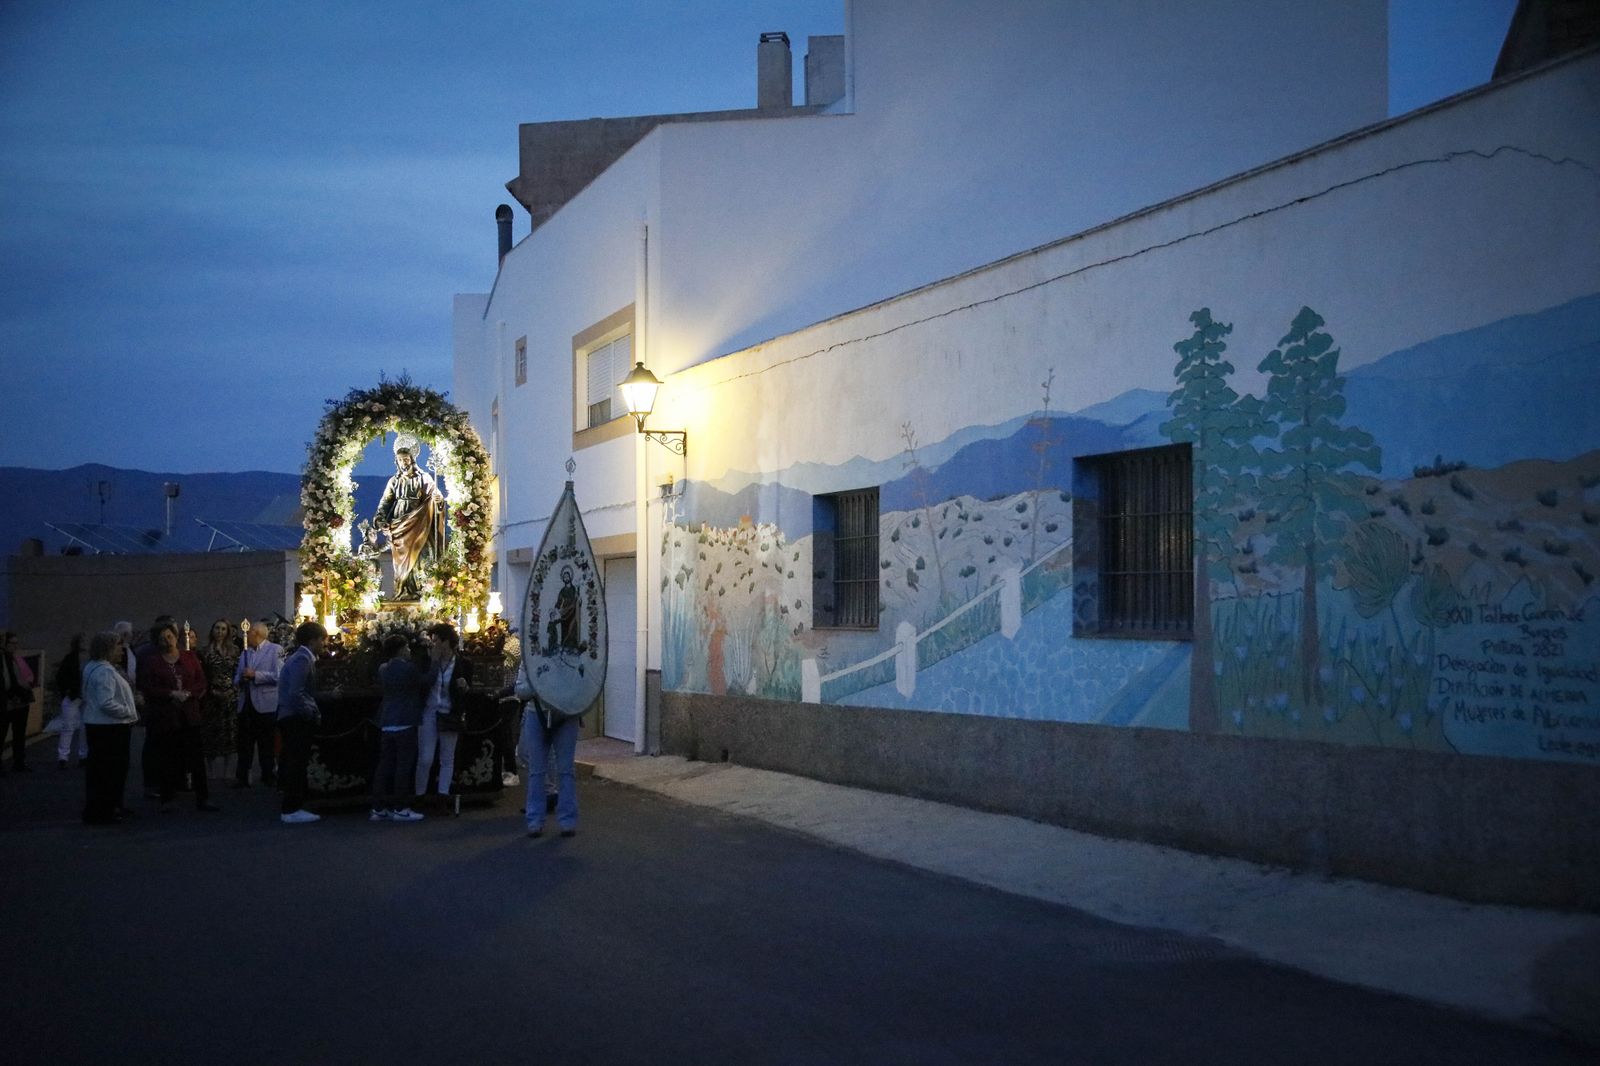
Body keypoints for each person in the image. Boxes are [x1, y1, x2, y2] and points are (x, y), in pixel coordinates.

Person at [137, 620, 217, 813]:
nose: (167, 641)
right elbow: (148, 686)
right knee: (168, 757)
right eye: (163, 638)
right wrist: (170, 694)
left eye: (170, 636)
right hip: (166, 715)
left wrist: (189, 694)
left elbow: (200, 681)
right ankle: (167, 797)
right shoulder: (154, 662)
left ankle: (202, 797)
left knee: (196, 758)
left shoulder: (189, 657)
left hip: (189, 713)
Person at [374, 436, 446, 600]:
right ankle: (401, 591)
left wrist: (438, 501)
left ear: (412, 460)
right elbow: (385, 502)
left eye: (406, 459)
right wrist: (380, 519)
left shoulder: (424, 478)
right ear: (396, 462)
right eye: (400, 460)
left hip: (418, 522)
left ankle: (415, 592)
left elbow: (436, 496)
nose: (403, 463)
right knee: (399, 563)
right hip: (399, 525)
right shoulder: (394, 481)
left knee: (416, 558)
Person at [80, 630, 139, 824]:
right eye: (118, 647)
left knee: (101, 771)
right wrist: (127, 711)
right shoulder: (105, 671)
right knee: (110, 771)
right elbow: (106, 702)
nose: (121, 651)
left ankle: (107, 807)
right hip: (109, 727)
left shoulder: (93, 667)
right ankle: (106, 810)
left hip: (99, 725)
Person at [371, 634, 427, 823]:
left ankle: (378, 807)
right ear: (401, 649)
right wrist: (435, 663)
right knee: (403, 766)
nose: (410, 651)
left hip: (387, 720)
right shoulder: (409, 668)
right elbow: (426, 681)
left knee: (385, 765)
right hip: (405, 720)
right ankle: (400, 807)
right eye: (407, 648)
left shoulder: (383, 669)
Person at [515, 683, 581, 839]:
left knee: (566, 770)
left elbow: (582, 683)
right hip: (537, 713)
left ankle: (568, 822)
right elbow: (520, 689)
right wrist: (542, 686)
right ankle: (535, 821)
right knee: (536, 771)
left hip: (567, 713)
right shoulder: (530, 658)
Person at [277, 621, 327, 825]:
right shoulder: (302, 659)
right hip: (295, 718)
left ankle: (294, 804)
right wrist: (311, 712)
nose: (325, 644)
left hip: (293, 715)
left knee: (296, 761)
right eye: (323, 640)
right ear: (312, 640)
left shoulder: (303, 657)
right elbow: (296, 693)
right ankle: (291, 808)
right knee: (296, 762)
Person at [417, 623, 473, 801]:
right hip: (429, 712)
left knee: (447, 758)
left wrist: (464, 687)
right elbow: (422, 684)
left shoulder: (463, 664)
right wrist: (433, 661)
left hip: (450, 713)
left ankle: (443, 796)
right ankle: (420, 795)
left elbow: (466, 690)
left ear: (446, 642)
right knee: (425, 758)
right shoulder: (426, 662)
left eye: (435, 641)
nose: (432, 645)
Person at [232, 622, 281, 788]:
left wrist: (256, 675)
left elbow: (278, 676)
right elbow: (237, 676)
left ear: (258, 633)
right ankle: (242, 775)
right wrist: (240, 680)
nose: (247, 636)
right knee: (244, 743)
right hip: (246, 703)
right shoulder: (245, 652)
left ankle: (268, 774)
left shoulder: (275, 650)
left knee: (266, 742)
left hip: (265, 703)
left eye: (250, 632)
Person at [197, 619, 240, 781]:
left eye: (223, 629)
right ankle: (211, 770)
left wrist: (233, 689)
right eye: (217, 628)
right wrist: (211, 690)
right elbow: (202, 674)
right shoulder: (205, 651)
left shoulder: (234, 650)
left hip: (230, 695)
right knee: (211, 733)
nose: (220, 632)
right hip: (211, 696)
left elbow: (238, 671)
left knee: (229, 733)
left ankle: (228, 770)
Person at [1, 630, 39, 773]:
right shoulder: (6, 659)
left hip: (20, 703)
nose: (15, 646)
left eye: (16, 643)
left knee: (19, 734)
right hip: (9, 702)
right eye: (12, 643)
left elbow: (29, 678)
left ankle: (19, 762)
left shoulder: (16, 658)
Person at [54, 633, 89, 769]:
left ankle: (76, 755)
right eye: (82, 641)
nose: (85, 643)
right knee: (69, 726)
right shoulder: (73, 658)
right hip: (75, 695)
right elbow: (61, 676)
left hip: (80, 695)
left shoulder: (82, 658)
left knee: (81, 727)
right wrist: (67, 691)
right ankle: (65, 756)